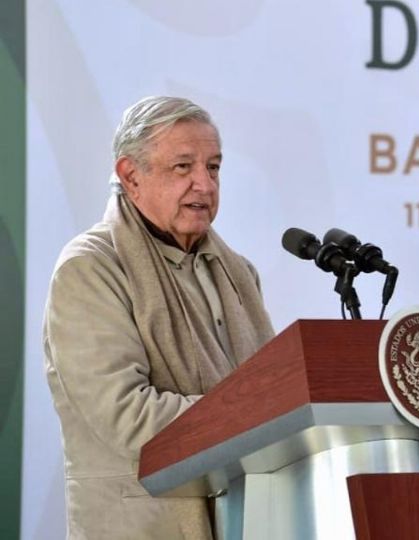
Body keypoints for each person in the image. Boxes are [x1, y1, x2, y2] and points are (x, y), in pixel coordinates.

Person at [43, 96, 275, 539]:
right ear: (131, 177)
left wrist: (274, 410)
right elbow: (126, 414)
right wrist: (258, 415)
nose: (204, 185)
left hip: (247, 520)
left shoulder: (239, 272)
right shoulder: (90, 268)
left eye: (213, 168)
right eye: (183, 167)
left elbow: (271, 386)